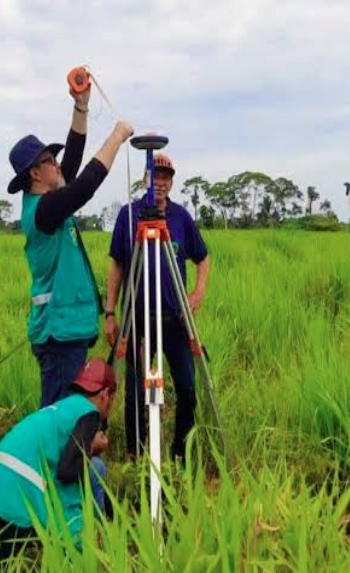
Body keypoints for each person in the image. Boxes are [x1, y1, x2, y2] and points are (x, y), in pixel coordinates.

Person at [6, 82, 134, 408]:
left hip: (66, 330)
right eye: (50, 160)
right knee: (60, 416)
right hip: (58, 333)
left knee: (68, 413)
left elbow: (73, 163)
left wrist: (81, 106)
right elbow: (84, 185)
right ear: (35, 173)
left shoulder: (49, 202)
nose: (57, 165)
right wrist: (116, 137)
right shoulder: (44, 210)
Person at [0, 358, 117, 563]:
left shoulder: (61, 409)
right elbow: (68, 472)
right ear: (105, 395)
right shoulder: (88, 413)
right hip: (18, 499)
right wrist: (92, 448)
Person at [103, 152, 210, 461]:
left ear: (171, 183)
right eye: (155, 177)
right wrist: (110, 313)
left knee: (187, 388)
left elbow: (203, 257)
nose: (160, 183)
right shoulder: (128, 216)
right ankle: (137, 455)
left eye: (165, 177)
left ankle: (179, 454)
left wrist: (198, 292)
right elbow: (117, 265)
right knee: (137, 391)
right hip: (137, 320)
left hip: (175, 319)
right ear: (145, 180)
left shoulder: (181, 217)